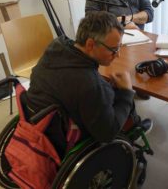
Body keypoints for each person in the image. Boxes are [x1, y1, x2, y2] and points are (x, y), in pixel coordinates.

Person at [26, 11, 152, 156]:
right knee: (119, 94)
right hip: (61, 137)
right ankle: (133, 129)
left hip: (39, 120)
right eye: (114, 49)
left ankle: (134, 123)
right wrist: (126, 92)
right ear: (90, 44)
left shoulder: (56, 47)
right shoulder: (90, 84)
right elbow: (107, 134)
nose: (118, 55)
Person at [86, 0, 154, 99]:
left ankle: (137, 85)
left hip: (136, 39)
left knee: (142, 62)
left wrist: (128, 19)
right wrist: (121, 24)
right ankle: (120, 89)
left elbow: (149, 13)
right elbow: (90, 18)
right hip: (109, 42)